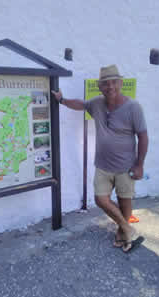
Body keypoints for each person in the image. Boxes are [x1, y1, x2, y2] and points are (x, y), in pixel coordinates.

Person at [51, 64, 148, 253]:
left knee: (124, 201)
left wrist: (140, 164)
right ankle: (128, 228)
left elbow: (143, 136)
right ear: (99, 86)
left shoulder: (133, 107)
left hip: (125, 166)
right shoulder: (96, 103)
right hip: (103, 165)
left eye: (113, 82)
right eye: (105, 84)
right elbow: (80, 104)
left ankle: (123, 234)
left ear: (120, 83)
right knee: (100, 199)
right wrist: (61, 100)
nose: (110, 87)